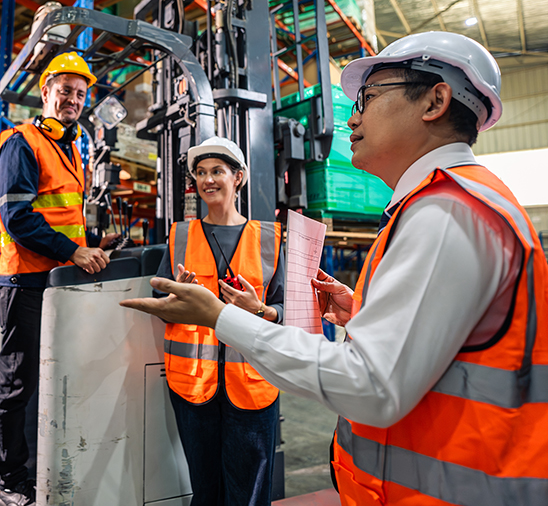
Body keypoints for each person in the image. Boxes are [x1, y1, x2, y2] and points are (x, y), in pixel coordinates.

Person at [121, 31, 548, 505]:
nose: (352, 117)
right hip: (199, 389)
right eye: (198, 172)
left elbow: (371, 385)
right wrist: (361, 313)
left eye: (368, 97)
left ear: (435, 101)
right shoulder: (443, 204)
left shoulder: (446, 213)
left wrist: (224, 318)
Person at [0, 51, 119, 505]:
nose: (73, 99)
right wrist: (74, 251)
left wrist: (95, 241)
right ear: (46, 92)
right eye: (65, 90)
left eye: (80, 94)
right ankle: (9, 477)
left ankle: (30, 464)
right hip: (24, 281)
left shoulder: (71, 148)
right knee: (16, 381)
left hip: (56, 282)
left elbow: (63, 216)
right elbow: (17, 218)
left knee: (44, 379)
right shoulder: (21, 142)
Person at [156, 136, 285, 506]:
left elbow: (290, 313)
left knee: (248, 495)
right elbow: (164, 308)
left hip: (253, 386)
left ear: (238, 177)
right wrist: (175, 297)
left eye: (217, 171)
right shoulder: (180, 236)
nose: (208, 180)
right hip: (194, 387)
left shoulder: (269, 239)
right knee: (206, 490)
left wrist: (259, 308)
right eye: (200, 173)